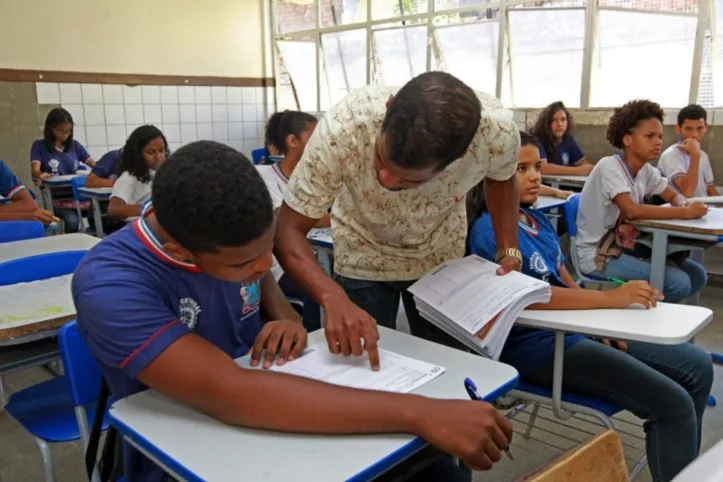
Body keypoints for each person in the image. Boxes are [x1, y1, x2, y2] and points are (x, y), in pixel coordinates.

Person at [72, 140, 513, 482]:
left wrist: (284, 316)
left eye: (269, 248)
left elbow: (261, 277)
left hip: (273, 401)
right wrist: (421, 411)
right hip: (189, 448)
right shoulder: (110, 282)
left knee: (431, 466)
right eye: (245, 263)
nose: (266, 266)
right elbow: (230, 393)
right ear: (180, 252)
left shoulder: (219, 231)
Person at [467, 131, 713, 482]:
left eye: (536, 166)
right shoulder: (490, 231)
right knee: (672, 403)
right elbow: (529, 299)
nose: (535, 176)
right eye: (520, 169)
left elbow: (562, 277)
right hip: (538, 345)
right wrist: (608, 300)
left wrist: (598, 324)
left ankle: (683, 467)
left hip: (577, 331)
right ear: (491, 178)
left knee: (698, 365)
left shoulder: (536, 222)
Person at [275, 72, 522, 369]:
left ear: (458, 159)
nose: (385, 179)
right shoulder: (344, 128)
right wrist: (332, 297)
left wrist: (508, 248)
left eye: (407, 180)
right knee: (363, 369)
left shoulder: (495, 135)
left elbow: (502, 178)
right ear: (389, 108)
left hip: (439, 256)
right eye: (381, 159)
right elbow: (287, 230)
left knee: (446, 366)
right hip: (361, 253)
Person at [576, 100, 708, 303]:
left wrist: (684, 204)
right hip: (597, 256)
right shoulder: (609, 166)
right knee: (678, 283)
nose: (658, 142)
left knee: (697, 275)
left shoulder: (646, 170)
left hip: (626, 246)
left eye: (660, 136)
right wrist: (685, 213)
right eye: (650, 136)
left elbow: (672, 195)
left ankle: (660, 326)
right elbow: (632, 211)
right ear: (628, 140)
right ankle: (637, 331)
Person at [259, 111, 325, 331]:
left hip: (316, 254)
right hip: (282, 264)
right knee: (318, 281)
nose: (321, 144)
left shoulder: (317, 178)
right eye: (314, 137)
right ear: (292, 141)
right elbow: (282, 218)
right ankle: (315, 334)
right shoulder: (265, 177)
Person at [30, 108, 96, 233]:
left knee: (100, 215)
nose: (65, 135)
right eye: (61, 131)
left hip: (79, 197)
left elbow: (95, 165)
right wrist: (40, 174)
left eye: (69, 131)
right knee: (72, 221)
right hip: (56, 200)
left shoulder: (75, 146)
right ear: (50, 128)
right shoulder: (39, 146)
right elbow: (35, 171)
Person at [657, 104, 718, 199]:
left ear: (706, 128)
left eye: (700, 128)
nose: (694, 135)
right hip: (683, 209)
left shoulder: (703, 155)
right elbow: (687, 192)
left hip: (705, 206)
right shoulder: (670, 155)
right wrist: (695, 155)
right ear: (678, 129)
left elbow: (710, 189)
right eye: (689, 129)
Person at [107, 126, 167, 220]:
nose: (158, 157)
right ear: (137, 154)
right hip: (140, 226)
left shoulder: (165, 173)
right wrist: (149, 208)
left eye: (161, 150)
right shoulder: (129, 177)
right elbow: (113, 210)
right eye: (151, 152)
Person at [531, 101, 593, 176]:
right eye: (554, 120)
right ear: (546, 123)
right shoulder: (537, 139)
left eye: (563, 119)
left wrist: (588, 169)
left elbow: (584, 163)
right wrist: (578, 171)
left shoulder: (568, 139)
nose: (560, 124)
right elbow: (543, 168)